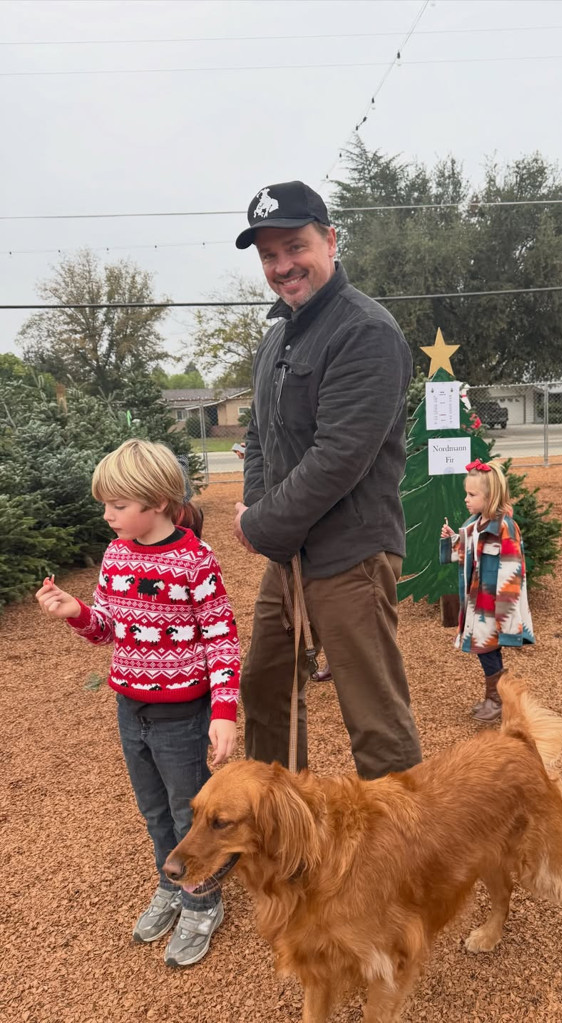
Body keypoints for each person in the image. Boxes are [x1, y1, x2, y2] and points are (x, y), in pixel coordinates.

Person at [231, 178, 421, 780]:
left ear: (331, 240)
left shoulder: (365, 332)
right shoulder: (276, 338)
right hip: (290, 554)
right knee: (264, 690)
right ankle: (279, 825)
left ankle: (403, 859)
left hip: (352, 554)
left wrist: (260, 523)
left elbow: (338, 457)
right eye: (269, 256)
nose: (282, 266)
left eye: (294, 247)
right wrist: (258, 508)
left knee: (374, 715)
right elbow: (259, 433)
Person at [35, 439, 240, 967]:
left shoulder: (195, 560)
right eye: (105, 504)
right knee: (154, 812)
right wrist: (73, 610)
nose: (106, 516)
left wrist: (222, 712)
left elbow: (221, 638)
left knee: (187, 815)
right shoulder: (117, 554)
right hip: (132, 709)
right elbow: (106, 628)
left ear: (157, 502)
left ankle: (201, 903)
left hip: (182, 716)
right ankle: (170, 888)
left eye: (117, 506)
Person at [440, 458, 534, 722]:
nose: (467, 500)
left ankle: (498, 701)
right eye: (466, 494)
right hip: (478, 601)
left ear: (490, 496)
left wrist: (505, 614)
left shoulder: (505, 527)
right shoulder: (476, 523)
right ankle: (496, 698)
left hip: (494, 604)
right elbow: (468, 552)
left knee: (487, 647)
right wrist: (452, 540)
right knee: (485, 647)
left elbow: (513, 569)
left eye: (472, 494)